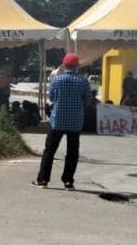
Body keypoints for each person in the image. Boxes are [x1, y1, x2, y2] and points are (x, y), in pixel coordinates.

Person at [32, 53, 93, 189]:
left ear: (64, 65)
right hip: (75, 122)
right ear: (77, 66)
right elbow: (88, 101)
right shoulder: (83, 82)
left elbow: (52, 98)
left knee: (49, 150)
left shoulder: (57, 80)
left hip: (57, 120)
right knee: (72, 152)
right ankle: (68, 181)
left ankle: (43, 180)